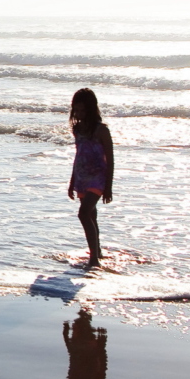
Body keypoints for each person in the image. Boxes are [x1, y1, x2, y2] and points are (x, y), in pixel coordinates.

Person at [66, 87, 113, 268]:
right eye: (76, 110)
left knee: (83, 213)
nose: (79, 113)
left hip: (98, 178)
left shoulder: (101, 131)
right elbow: (78, 156)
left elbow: (110, 160)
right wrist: (72, 182)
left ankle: (93, 259)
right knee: (91, 215)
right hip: (82, 177)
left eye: (83, 110)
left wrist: (108, 186)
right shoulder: (77, 129)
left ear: (92, 109)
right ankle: (97, 250)